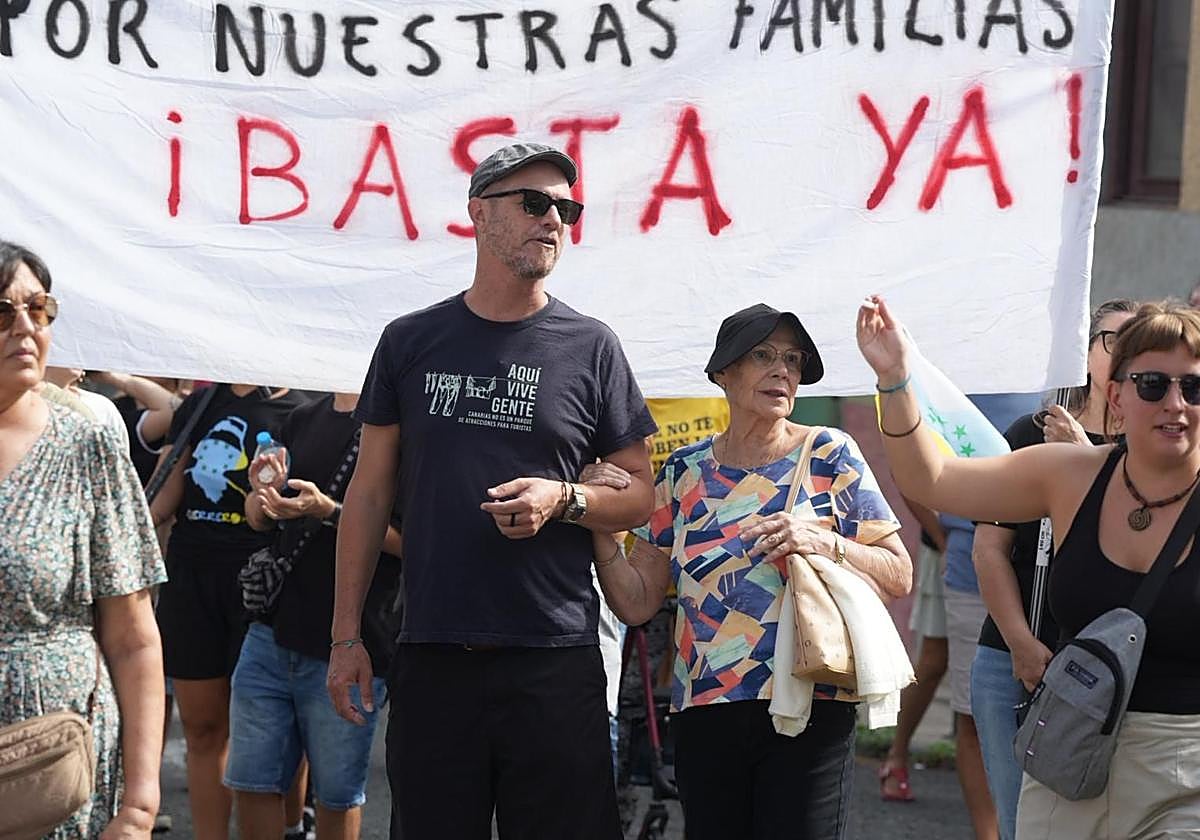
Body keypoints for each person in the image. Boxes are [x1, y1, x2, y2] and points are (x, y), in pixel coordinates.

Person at [328, 142, 658, 840]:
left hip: (556, 657)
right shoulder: (410, 341)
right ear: (479, 213)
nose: (554, 220)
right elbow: (368, 494)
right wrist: (345, 636)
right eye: (534, 203)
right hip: (434, 655)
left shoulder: (591, 346)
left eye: (567, 209)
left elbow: (639, 495)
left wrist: (564, 498)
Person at [858, 297, 1200, 838]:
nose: (1175, 404)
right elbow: (932, 480)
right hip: (1069, 760)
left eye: (1194, 388)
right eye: (1153, 385)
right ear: (1117, 394)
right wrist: (896, 380)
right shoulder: (1070, 474)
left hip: (1183, 773)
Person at [596, 303, 912, 840]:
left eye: (792, 359)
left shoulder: (829, 453)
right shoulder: (683, 470)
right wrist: (598, 523)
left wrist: (822, 541)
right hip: (704, 709)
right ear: (724, 372)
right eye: (763, 355)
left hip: (810, 702)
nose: (782, 370)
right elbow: (637, 601)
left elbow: (897, 573)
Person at [0, 241, 167, 837]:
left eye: (39, 309)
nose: (26, 327)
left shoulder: (86, 445)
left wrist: (140, 806)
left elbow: (134, 639)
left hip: (56, 770)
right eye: (3, 312)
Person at [969, 299, 1137, 840]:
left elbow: (1128, 550)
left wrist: (1084, 459)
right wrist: (1020, 642)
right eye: (1113, 338)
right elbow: (989, 549)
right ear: (1082, 351)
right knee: (1020, 824)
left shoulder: (1149, 450)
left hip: (1107, 671)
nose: (1126, 352)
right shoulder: (1030, 432)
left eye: (1140, 341)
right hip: (1011, 658)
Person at [226, 392, 402, 840]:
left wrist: (329, 511)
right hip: (271, 632)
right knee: (251, 782)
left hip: (355, 643)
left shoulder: (397, 427)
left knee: (337, 794)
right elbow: (256, 517)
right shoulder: (303, 417)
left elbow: (411, 541)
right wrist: (263, 497)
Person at [149, 383, 307, 840]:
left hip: (262, 587)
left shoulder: (300, 412)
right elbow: (159, 500)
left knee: (273, 733)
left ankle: (295, 825)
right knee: (202, 729)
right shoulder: (200, 405)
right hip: (191, 582)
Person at [879, 505, 949, 802]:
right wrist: (943, 540)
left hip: (1009, 547)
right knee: (933, 661)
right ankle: (896, 754)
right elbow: (910, 486)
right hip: (949, 543)